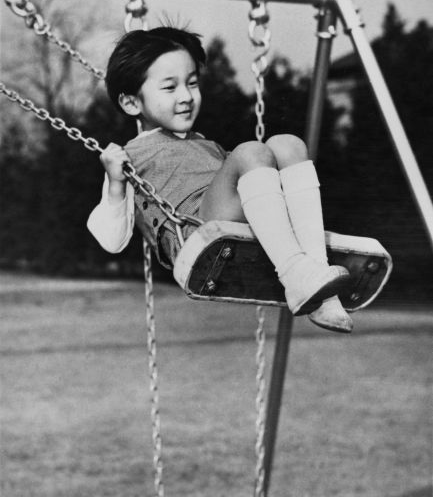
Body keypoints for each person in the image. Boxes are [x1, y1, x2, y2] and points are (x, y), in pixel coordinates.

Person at [87, 27, 353, 333]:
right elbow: (111, 241)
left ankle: (321, 286)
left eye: (192, 84)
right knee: (250, 152)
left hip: (233, 216)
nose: (187, 97)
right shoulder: (128, 157)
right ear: (132, 103)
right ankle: (296, 274)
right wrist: (116, 182)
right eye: (170, 88)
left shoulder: (205, 144)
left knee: (289, 144)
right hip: (197, 230)